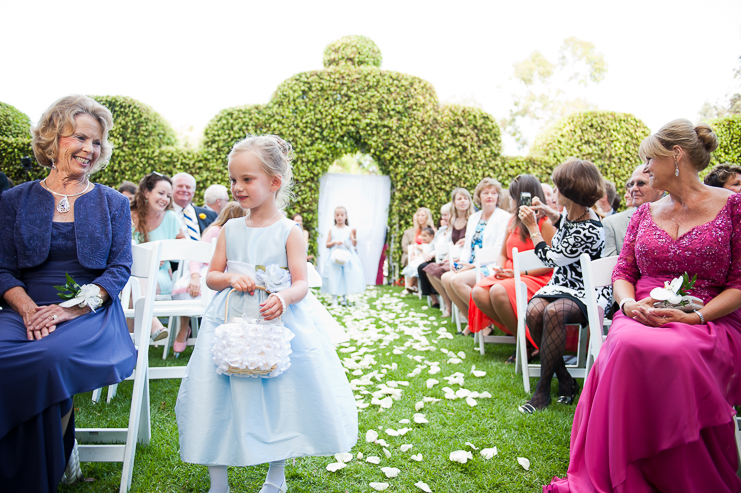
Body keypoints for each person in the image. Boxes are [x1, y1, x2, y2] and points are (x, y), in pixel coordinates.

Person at [546, 120, 741, 492]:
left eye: (650, 159)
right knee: (627, 343)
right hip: (642, 311)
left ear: (677, 156)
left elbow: (739, 284)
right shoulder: (642, 215)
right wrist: (629, 304)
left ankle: (680, 475)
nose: (646, 169)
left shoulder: (733, 207)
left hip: (710, 317)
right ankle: (626, 469)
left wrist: (696, 315)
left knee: (678, 352)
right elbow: (623, 271)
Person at [175, 134, 358, 493]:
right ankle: (218, 481)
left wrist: (285, 297)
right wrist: (229, 276)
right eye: (233, 180)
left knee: (279, 394)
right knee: (216, 393)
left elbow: (302, 282)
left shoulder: (290, 232)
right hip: (228, 322)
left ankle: (276, 476)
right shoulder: (229, 229)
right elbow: (212, 276)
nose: (237, 187)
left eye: (247, 179)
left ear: (274, 183)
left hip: (273, 321)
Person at [0, 95, 136, 491]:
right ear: (52, 139)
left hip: (89, 313)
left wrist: (70, 309)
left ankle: (42, 471)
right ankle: (56, 459)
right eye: (80, 138)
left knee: (50, 357)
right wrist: (27, 308)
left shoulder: (112, 202)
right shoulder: (13, 201)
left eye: (97, 142)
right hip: (23, 309)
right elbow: (4, 268)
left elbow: (119, 268)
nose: (89, 149)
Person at [517, 158, 610, 414]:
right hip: (561, 284)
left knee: (554, 313)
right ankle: (566, 379)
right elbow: (567, 223)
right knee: (534, 310)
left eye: (557, 188)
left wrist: (533, 228)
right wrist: (551, 212)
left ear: (570, 192)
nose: (554, 192)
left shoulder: (590, 228)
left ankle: (543, 389)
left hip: (585, 289)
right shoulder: (574, 213)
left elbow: (553, 257)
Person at [468, 175, 556, 362]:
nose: (513, 200)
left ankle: (523, 344)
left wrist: (519, 273)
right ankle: (523, 338)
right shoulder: (512, 221)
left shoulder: (546, 223)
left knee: (498, 292)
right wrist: (498, 268)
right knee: (478, 292)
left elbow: (549, 262)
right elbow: (503, 253)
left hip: (537, 276)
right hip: (510, 273)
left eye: (515, 196)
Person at [170, 201, 246, 354]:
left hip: (226, 274)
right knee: (193, 293)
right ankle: (185, 327)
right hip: (205, 270)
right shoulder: (215, 231)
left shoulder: (243, 234)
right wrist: (195, 277)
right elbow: (196, 257)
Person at [441, 178, 511, 333]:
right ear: (479, 197)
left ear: (498, 197)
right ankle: (472, 321)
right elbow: (467, 247)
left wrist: (472, 266)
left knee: (457, 281)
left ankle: (486, 323)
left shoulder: (504, 217)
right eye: (485, 192)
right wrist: (462, 263)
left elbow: (499, 250)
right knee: (446, 278)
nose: (490, 196)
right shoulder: (474, 218)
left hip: (489, 265)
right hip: (471, 265)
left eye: (493, 193)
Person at [131, 172, 185, 341]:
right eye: (161, 193)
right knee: (133, 282)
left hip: (158, 274)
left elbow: (184, 248)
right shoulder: (127, 214)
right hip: (128, 273)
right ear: (146, 192)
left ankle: (135, 339)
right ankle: (152, 328)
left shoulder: (170, 218)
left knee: (135, 285)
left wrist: (165, 254)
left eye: (168, 196)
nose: (165, 199)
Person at [425, 188, 474, 316]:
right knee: (430, 269)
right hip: (454, 256)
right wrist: (448, 255)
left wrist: (466, 241)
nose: (463, 201)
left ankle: (459, 304)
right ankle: (449, 303)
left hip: (466, 259)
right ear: (454, 203)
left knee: (441, 273)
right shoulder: (454, 220)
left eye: (466, 198)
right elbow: (452, 242)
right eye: (459, 198)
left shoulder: (473, 219)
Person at [602, 165, 664, 257]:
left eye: (641, 183)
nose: (633, 189)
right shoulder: (612, 224)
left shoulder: (677, 218)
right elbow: (608, 267)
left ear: (660, 189)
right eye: (631, 184)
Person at [321, 206, 365, 305]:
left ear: (346, 216)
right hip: (334, 257)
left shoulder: (349, 229)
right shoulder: (332, 229)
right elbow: (327, 244)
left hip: (346, 256)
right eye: (337, 215)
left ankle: (344, 297)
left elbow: (353, 244)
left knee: (346, 276)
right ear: (334, 217)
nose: (339, 217)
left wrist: (355, 235)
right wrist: (335, 242)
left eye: (342, 215)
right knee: (334, 276)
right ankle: (334, 298)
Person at [418, 203, 452, 307]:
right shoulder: (440, 231)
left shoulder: (453, 231)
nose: (443, 217)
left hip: (445, 258)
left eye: (446, 215)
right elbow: (433, 246)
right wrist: (427, 253)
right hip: (435, 257)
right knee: (422, 267)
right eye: (443, 215)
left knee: (427, 268)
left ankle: (446, 299)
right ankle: (434, 298)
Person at [172, 172, 217, 240]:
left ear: (193, 192)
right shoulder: (164, 214)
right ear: (171, 189)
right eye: (180, 186)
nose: (184, 190)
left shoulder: (210, 215)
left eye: (188, 187)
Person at [400, 207, 435, 294]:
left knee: (416, 261)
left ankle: (410, 286)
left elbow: (433, 246)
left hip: (428, 254)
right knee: (413, 260)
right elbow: (411, 246)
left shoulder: (432, 230)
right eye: (418, 215)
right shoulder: (416, 231)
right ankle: (412, 286)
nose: (420, 217)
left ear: (427, 217)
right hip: (416, 254)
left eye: (422, 215)